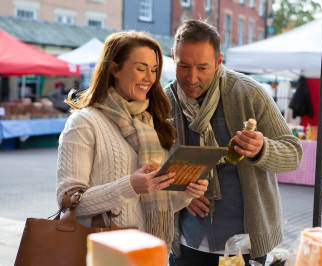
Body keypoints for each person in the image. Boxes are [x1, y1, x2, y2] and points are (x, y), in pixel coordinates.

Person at [165, 20, 303, 266]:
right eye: (183, 66)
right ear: (173, 56)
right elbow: (154, 163)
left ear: (219, 62)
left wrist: (262, 148)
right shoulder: (165, 101)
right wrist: (180, 191)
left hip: (246, 243)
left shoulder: (249, 93)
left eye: (203, 68)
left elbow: (294, 154)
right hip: (186, 243)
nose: (192, 78)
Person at [56, 31, 208, 248]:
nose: (150, 78)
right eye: (141, 68)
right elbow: (69, 202)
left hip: (149, 250)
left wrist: (186, 192)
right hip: (104, 252)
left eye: (154, 70)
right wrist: (130, 186)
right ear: (114, 68)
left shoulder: (150, 123)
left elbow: (158, 204)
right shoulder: (84, 122)